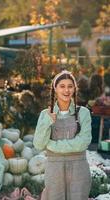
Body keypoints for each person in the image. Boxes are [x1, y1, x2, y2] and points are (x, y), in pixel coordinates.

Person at [33, 70, 92, 200]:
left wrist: (52, 145)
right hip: (54, 169)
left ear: (74, 89)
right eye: (62, 86)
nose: (66, 90)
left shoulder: (83, 113)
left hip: (79, 169)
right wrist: (48, 121)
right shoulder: (45, 114)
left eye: (70, 86)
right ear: (55, 88)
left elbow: (83, 143)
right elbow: (38, 144)